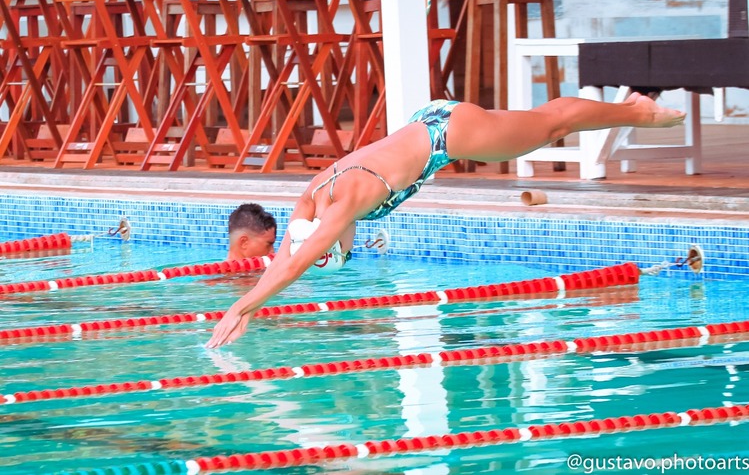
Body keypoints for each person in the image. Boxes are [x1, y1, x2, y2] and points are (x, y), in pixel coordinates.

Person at [207, 94, 686, 348]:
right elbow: (286, 257)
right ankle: (629, 108)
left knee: (549, 127)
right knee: (543, 124)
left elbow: (292, 266)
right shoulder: (310, 202)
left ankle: (636, 111)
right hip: (431, 119)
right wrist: (250, 304)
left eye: (337, 252)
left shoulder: (341, 206)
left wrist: (239, 309)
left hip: (448, 132)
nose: (343, 247)